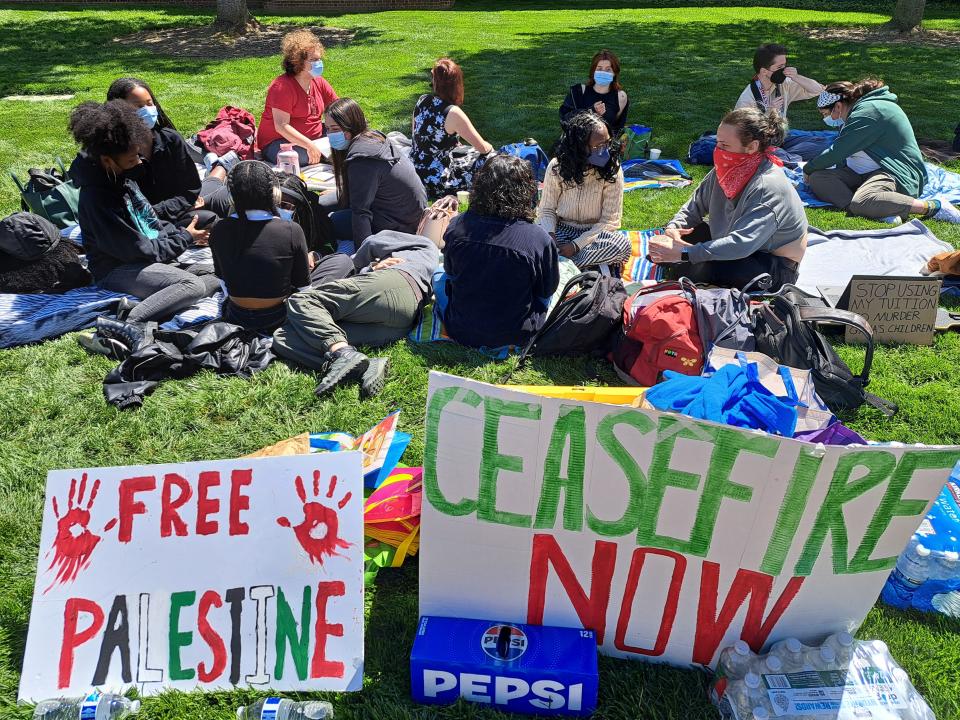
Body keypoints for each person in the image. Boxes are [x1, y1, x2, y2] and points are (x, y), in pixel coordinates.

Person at [68, 100, 216, 350]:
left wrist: (182, 233)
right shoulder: (98, 198)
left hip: (141, 259)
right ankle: (123, 324)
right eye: (130, 159)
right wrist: (185, 239)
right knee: (191, 285)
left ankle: (137, 307)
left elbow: (152, 224)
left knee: (214, 274)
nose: (137, 162)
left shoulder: (122, 179)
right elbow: (140, 250)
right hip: (116, 268)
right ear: (107, 161)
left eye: (137, 155)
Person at [648, 107, 807, 290]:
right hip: (739, 245)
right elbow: (695, 205)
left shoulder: (767, 186)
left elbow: (741, 244)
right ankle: (680, 261)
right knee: (682, 241)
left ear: (752, 147)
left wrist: (684, 253)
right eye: (717, 144)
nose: (718, 151)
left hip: (772, 264)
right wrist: (673, 228)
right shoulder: (725, 169)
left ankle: (685, 266)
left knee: (698, 267)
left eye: (725, 146)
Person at [272, 226, 441, 398]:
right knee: (283, 337)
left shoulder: (424, 241)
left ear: (421, 224)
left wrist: (361, 265)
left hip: (395, 283)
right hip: (405, 318)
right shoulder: (433, 259)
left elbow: (371, 242)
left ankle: (342, 353)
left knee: (302, 300)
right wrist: (372, 268)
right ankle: (363, 364)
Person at [440, 154, 559, 349]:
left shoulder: (457, 226)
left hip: (460, 329)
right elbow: (546, 290)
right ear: (526, 192)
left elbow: (450, 273)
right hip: (516, 334)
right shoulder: (539, 239)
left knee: (439, 277)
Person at [804, 79, 960, 223]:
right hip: (861, 174)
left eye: (826, 114)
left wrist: (808, 168)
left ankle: (933, 207)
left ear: (838, 106)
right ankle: (874, 209)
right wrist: (813, 171)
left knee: (861, 200)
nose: (826, 119)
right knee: (818, 178)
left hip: (892, 173)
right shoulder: (857, 111)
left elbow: (838, 151)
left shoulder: (869, 112)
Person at [107, 77, 233, 224]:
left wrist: (180, 206)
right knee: (210, 220)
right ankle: (220, 165)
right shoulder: (114, 153)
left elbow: (190, 190)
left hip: (181, 209)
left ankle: (221, 164)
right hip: (146, 221)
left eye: (149, 104)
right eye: (139, 106)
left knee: (235, 198)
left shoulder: (170, 139)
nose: (147, 110)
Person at [208, 161, 311, 333]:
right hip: (278, 317)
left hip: (235, 314)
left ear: (232, 197)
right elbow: (304, 289)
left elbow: (223, 281)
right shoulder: (291, 230)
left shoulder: (219, 229)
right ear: (273, 194)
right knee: (339, 261)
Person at [324, 98, 427, 254]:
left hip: (397, 227)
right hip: (407, 216)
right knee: (319, 203)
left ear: (349, 127)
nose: (329, 134)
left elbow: (361, 212)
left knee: (329, 221)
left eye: (334, 129)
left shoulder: (362, 160)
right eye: (327, 129)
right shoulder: (372, 138)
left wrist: (364, 256)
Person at [537, 111, 629, 272]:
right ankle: (562, 262)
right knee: (533, 235)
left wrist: (576, 246)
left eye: (607, 143)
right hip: (561, 229)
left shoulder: (613, 170)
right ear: (579, 146)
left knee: (620, 244)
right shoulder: (556, 166)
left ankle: (559, 265)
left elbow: (609, 221)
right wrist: (550, 236)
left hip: (594, 234)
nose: (605, 150)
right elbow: (546, 209)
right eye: (597, 146)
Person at [411, 57, 494, 198]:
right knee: (491, 158)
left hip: (415, 173)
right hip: (437, 180)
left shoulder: (422, 100)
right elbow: (482, 148)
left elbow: (415, 134)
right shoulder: (452, 112)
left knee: (465, 153)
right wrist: (491, 148)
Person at [257, 30, 338, 166]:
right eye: (313, 60)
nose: (319, 63)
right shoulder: (282, 87)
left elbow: (338, 107)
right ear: (297, 62)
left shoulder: (319, 81)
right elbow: (282, 126)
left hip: (315, 139)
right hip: (278, 141)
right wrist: (310, 145)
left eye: (319, 59)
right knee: (301, 157)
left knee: (346, 140)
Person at [735, 43, 823, 119]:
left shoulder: (784, 84)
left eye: (784, 65)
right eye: (779, 67)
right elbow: (744, 132)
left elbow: (818, 90)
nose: (784, 70)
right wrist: (769, 113)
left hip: (780, 136)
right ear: (764, 71)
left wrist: (797, 77)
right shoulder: (747, 100)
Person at [559, 49, 629, 137]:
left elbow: (618, 129)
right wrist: (591, 112)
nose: (603, 73)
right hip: (577, 145)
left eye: (608, 70)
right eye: (599, 69)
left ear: (614, 73)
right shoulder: (579, 92)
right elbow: (565, 119)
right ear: (593, 71)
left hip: (604, 146)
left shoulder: (621, 97)